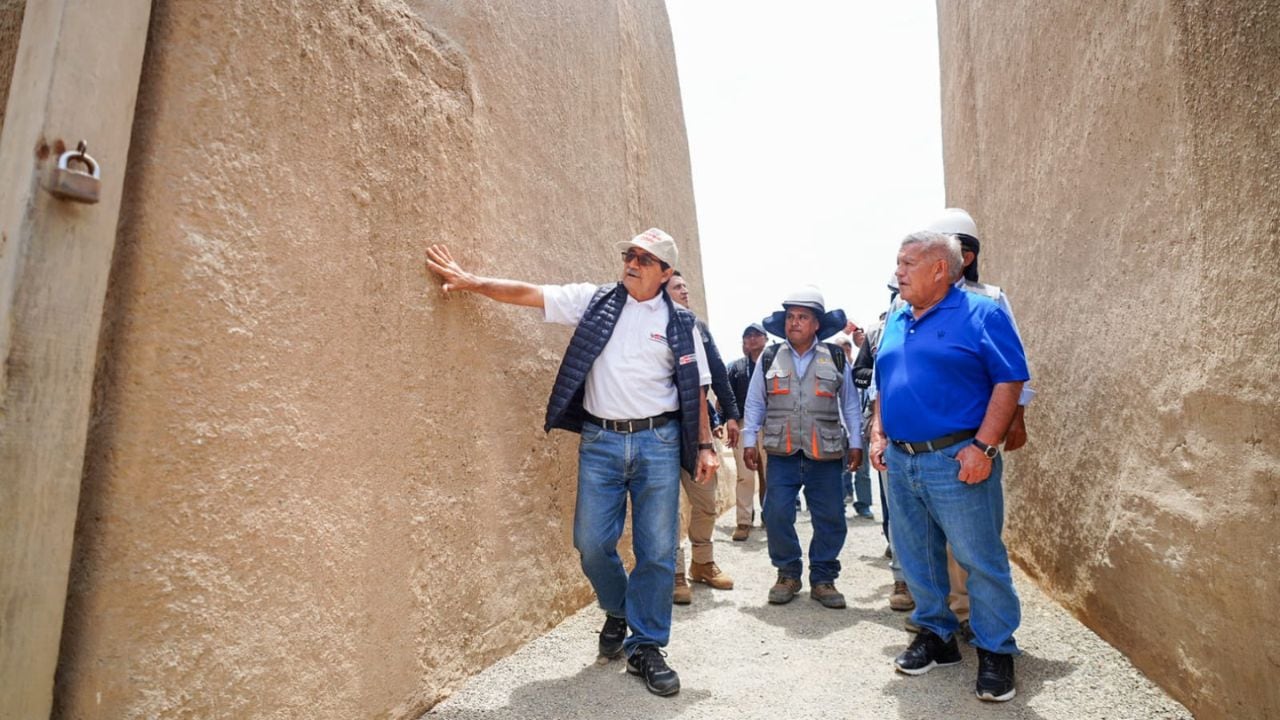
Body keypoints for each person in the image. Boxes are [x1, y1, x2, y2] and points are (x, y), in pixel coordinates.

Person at [424, 229, 718, 698]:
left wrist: (704, 445)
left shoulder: (682, 324)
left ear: (665, 274)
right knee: (590, 542)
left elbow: (698, 389)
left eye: (646, 258)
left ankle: (647, 646)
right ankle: (619, 608)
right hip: (601, 442)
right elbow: (530, 293)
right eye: (630, 254)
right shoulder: (596, 301)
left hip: (658, 443)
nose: (633, 262)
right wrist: (473, 281)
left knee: (658, 550)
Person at [870, 231, 1028, 702]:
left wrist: (984, 446)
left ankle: (997, 649)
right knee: (917, 555)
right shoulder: (898, 316)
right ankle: (937, 636)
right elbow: (884, 382)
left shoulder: (982, 311)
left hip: (957, 458)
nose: (898, 271)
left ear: (941, 268)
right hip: (902, 460)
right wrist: (879, 433)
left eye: (907, 262)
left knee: (979, 558)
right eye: (897, 262)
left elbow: (1009, 380)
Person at [923, 207, 1035, 640]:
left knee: (974, 536)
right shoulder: (909, 304)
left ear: (964, 256)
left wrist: (1016, 420)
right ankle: (945, 616)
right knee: (932, 535)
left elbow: (1013, 368)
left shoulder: (989, 300)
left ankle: (982, 623)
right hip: (922, 442)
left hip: (973, 438)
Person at [741, 287, 864, 609]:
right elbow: (755, 401)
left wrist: (856, 442)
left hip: (825, 453)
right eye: (791, 317)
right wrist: (749, 439)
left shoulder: (835, 357)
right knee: (776, 512)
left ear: (816, 325)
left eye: (803, 317)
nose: (795, 323)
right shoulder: (770, 356)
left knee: (831, 517)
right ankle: (788, 573)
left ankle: (823, 578)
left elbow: (850, 403)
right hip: (782, 453)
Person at [665, 272, 739, 604]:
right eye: (678, 287)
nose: (685, 291)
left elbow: (718, 371)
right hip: (662, 430)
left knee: (706, 502)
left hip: (698, 430)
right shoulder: (652, 326)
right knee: (664, 506)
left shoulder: (698, 328)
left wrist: (732, 414)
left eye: (686, 286)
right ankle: (675, 573)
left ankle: (703, 563)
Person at [726, 323, 768, 541]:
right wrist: (729, 421)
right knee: (745, 475)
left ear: (766, 338)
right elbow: (727, 397)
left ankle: (770, 517)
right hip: (743, 426)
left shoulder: (776, 364)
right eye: (747, 335)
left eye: (756, 335)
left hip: (771, 425)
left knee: (770, 475)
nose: (752, 339)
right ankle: (743, 521)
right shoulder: (736, 368)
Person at [832, 331, 874, 520]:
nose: (845, 350)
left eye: (848, 347)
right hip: (838, 428)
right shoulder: (830, 372)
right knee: (839, 470)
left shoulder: (859, 371)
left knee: (863, 470)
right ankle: (838, 504)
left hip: (860, 427)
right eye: (841, 348)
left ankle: (863, 505)